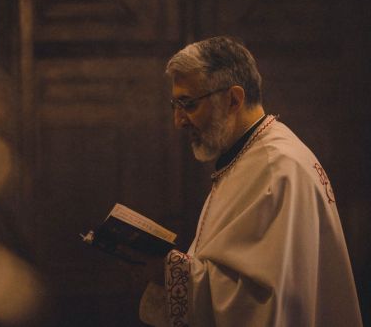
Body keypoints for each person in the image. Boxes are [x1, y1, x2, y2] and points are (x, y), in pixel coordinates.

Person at [137, 36, 363, 326]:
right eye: (175, 105)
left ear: (233, 99)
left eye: (188, 104)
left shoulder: (275, 167)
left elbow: (262, 301)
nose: (178, 121)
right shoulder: (255, 155)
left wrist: (170, 272)